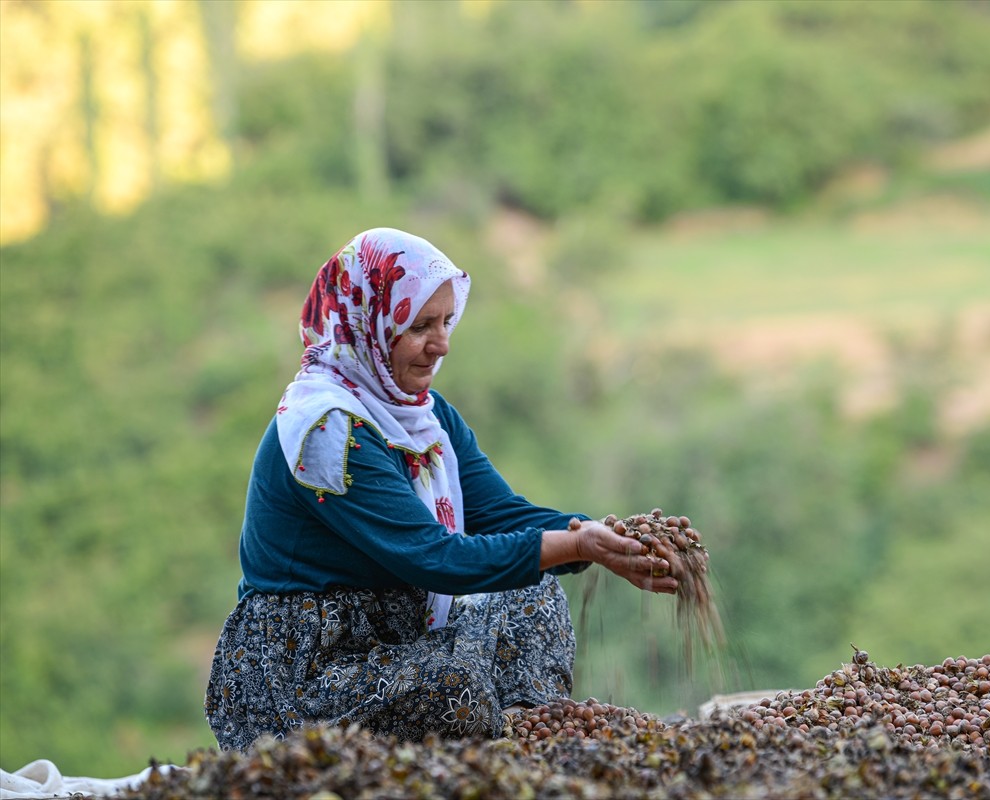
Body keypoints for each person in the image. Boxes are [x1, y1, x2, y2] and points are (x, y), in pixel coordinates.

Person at [205, 228, 678, 750]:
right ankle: (505, 735)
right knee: (453, 688)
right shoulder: (327, 431)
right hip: (308, 670)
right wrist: (580, 545)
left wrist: (606, 534)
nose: (442, 344)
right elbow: (433, 559)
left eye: (447, 321)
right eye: (420, 326)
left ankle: (527, 733)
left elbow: (501, 513)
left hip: (398, 639)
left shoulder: (423, 414)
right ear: (370, 325)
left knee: (533, 588)